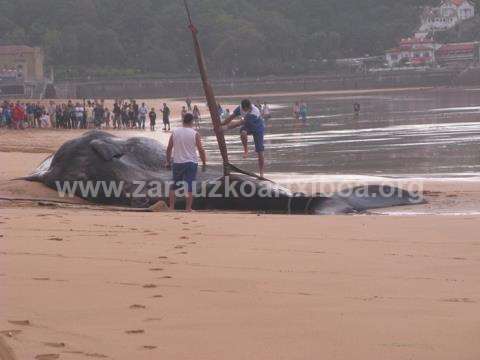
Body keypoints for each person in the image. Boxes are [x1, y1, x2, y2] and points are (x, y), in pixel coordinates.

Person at [166, 113, 207, 212]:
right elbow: (201, 150)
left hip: (177, 162)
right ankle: (188, 208)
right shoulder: (194, 133)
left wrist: (168, 161)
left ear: (183, 120)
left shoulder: (175, 132)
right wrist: (204, 162)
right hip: (190, 162)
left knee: (174, 185)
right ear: (192, 121)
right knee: (189, 185)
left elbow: (169, 148)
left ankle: (171, 207)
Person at [221, 99, 266, 178]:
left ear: (249, 107)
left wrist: (225, 128)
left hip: (258, 128)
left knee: (260, 151)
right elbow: (231, 117)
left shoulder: (254, 113)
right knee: (243, 133)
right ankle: (246, 150)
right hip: (248, 126)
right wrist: (222, 123)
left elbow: (238, 123)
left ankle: (261, 173)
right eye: (244, 109)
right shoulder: (240, 108)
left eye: (247, 110)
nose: (245, 111)